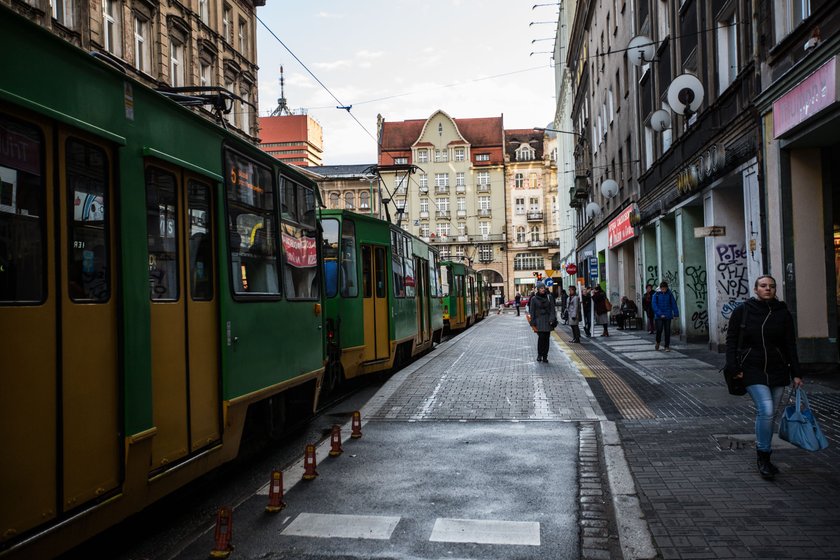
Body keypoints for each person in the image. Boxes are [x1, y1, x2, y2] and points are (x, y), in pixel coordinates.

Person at [724, 275, 803, 479]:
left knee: (771, 413)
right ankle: (763, 456)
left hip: (778, 370)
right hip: (752, 368)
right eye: (763, 286)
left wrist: (796, 373)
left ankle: (766, 455)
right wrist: (734, 368)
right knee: (766, 410)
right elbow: (731, 340)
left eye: (771, 286)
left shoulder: (782, 312)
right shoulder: (743, 311)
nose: (767, 289)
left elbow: (790, 344)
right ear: (756, 288)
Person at [528, 281, 557, 362]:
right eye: (541, 288)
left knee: (547, 339)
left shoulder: (549, 297)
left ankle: (545, 356)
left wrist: (552, 319)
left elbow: (552, 309)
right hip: (539, 321)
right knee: (541, 338)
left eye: (543, 288)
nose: (543, 289)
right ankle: (539, 354)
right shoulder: (534, 299)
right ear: (538, 289)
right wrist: (533, 322)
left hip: (548, 321)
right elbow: (532, 311)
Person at [652, 281, 679, 351]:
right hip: (658, 316)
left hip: (668, 315)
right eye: (662, 288)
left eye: (665, 288)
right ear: (660, 288)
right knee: (659, 330)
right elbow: (654, 306)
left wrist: (676, 314)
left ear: (667, 288)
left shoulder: (669, 294)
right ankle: (657, 342)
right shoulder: (656, 295)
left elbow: (673, 304)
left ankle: (667, 346)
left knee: (667, 331)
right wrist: (660, 314)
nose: (664, 290)